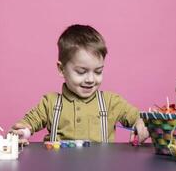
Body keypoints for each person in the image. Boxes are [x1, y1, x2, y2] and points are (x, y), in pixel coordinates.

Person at [11, 24, 149, 145]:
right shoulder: (50, 103)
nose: (90, 79)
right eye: (81, 72)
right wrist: (22, 132)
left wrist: (141, 124)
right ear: (61, 69)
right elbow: (27, 123)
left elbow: (138, 117)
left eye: (98, 71)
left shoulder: (112, 102)